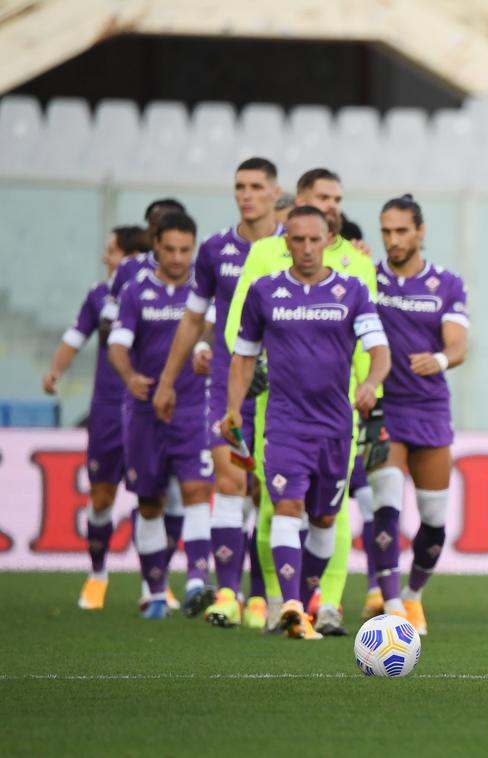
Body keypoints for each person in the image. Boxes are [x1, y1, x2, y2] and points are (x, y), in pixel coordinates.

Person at [222, 205, 390, 640]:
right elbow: (242, 358)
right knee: (286, 507)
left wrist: (371, 382)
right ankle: (291, 605)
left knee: (323, 521)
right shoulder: (264, 291)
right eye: (297, 240)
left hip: (336, 426)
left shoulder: (351, 291)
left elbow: (380, 351)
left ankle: (303, 603)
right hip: (284, 424)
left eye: (315, 239)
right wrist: (232, 409)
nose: (307, 248)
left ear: (327, 238)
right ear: (286, 243)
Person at [154, 157, 283, 630]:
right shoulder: (214, 250)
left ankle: (261, 594)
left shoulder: (295, 246)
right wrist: (168, 380)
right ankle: (228, 592)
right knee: (229, 484)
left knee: (268, 491)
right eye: (239, 186)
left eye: (255, 186)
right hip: (228, 384)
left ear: (275, 191)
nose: (245, 194)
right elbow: (193, 317)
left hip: (283, 392)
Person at [366, 193, 469, 633]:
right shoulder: (366, 281)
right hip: (384, 410)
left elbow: (459, 345)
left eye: (401, 230)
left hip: (429, 408)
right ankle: (389, 600)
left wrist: (441, 360)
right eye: (386, 231)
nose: (393, 239)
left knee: (434, 520)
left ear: (420, 232)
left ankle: (412, 596)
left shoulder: (445, 283)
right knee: (385, 505)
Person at [107, 212, 214, 619]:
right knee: (149, 503)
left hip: (192, 407)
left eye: (185, 249)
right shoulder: (136, 291)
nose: (177, 257)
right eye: (169, 248)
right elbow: (118, 343)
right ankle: (154, 593)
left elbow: (209, 332)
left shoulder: (205, 292)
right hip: (145, 410)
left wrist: (205, 354)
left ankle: (197, 584)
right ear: (156, 245)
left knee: (197, 493)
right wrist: (131, 375)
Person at [43, 225, 145, 610]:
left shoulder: (153, 294)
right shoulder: (98, 295)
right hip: (107, 408)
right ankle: (98, 575)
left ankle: (156, 583)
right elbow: (75, 336)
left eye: (112, 250)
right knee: (101, 495)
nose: (106, 257)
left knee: (153, 497)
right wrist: (55, 370)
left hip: (149, 409)